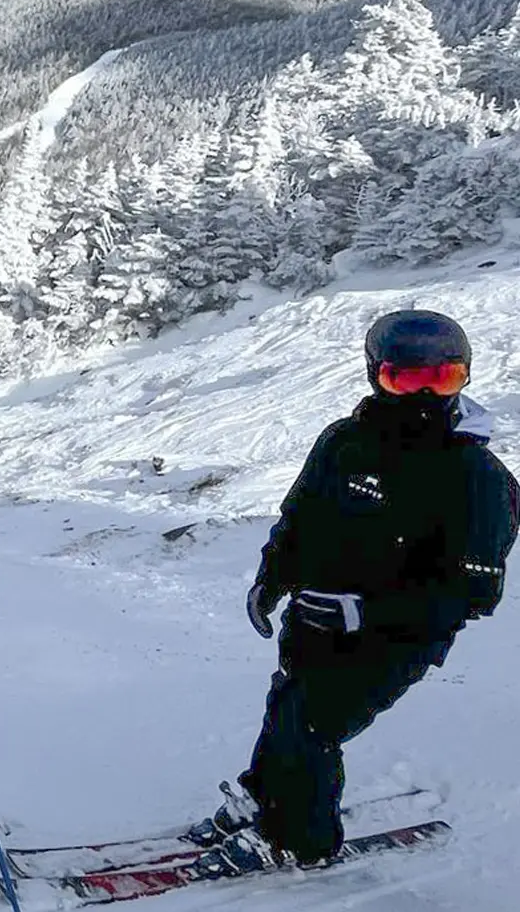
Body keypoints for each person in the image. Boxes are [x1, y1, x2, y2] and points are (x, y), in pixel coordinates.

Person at [209, 310, 519, 868]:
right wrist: (271, 580)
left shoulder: (479, 477)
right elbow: (298, 518)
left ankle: (301, 839)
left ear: (464, 379)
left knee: (313, 725)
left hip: (399, 637)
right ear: (376, 375)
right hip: (312, 620)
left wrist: (365, 613)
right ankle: (264, 797)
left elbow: (473, 593)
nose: (425, 396)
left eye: (443, 379)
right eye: (406, 379)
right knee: (287, 706)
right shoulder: (343, 442)